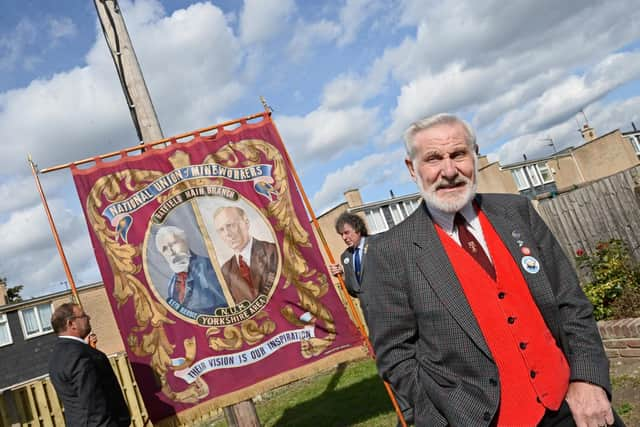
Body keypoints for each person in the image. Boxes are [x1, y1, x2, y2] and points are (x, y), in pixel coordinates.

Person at [360, 113, 624, 427]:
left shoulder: (517, 212)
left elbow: (571, 303)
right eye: (433, 159)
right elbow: (396, 356)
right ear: (412, 169)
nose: (449, 171)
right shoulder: (388, 252)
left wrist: (588, 380)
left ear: (474, 155)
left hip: (572, 404)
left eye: (458, 154)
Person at [48, 303, 130, 427]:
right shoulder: (80, 354)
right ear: (71, 324)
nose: (89, 317)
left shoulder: (56, 357)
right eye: (83, 316)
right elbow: (94, 404)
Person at [155, 225, 227, 314]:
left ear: (185, 241)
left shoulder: (210, 267)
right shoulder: (172, 283)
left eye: (173, 243)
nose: (171, 252)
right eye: (165, 249)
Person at [213, 206, 278, 304]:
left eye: (230, 225)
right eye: (221, 230)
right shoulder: (225, 270)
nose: (227, 234)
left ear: (246, 222)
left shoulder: (272, 251)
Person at [329, 212, 369, 297]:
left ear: (358, 229)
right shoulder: (345, 256)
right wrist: (342, 275)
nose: (344, 237)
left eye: (346, 232)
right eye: (341, 234)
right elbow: (354, 291)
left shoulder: (376, 244)